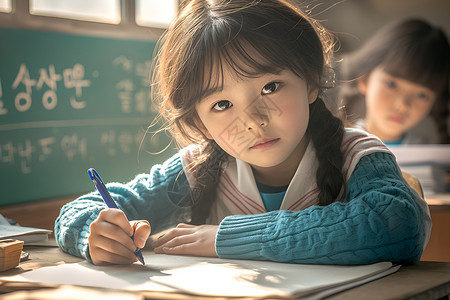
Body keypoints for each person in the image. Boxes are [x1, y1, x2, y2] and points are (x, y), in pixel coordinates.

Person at [55, 0, 431, 266]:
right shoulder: (198, 167)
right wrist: (95, 233)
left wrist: (227, 238)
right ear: (200, 124)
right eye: (221, 104)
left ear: (312, 82)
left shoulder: (358, 155)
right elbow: (82, 210)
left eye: (270, 87)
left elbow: (397, 223)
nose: (253, 120)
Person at [338, 19, 450, 145]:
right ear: (364, 79)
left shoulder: (431, 159)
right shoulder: (334, 147)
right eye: (392, 85)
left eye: (422, 95)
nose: (403, 106)